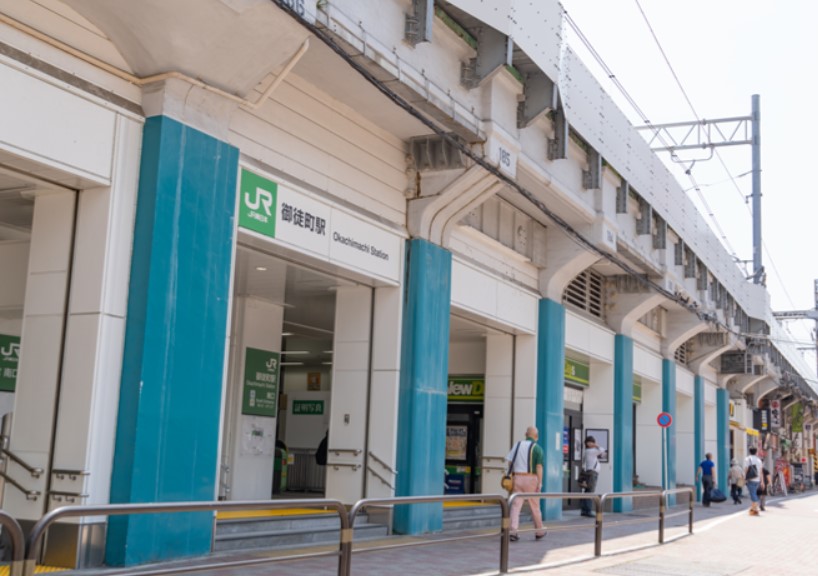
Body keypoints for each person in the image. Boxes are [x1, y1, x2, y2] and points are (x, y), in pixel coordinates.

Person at [505, 426, 546, 541]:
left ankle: (513, 531)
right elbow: (539, 467)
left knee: (516, 505)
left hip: (517, 478)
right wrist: (540, 483)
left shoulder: (517, 445)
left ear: (525, 434)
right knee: (535, 506)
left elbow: (509, 462)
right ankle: (539, 531)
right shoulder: (537, 448)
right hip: (531, 479)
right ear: (536, 436)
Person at [580, 436, 606, 517]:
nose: (593, 444)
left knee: (587, 491)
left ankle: (584, 510)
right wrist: (596, 445)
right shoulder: (590, 451)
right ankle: (588, 510)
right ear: (587, 443)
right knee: (590, 492)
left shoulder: (587, 451)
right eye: (591, 442)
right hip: (592, 473)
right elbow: (602, 450)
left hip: (590, 473)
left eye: (593, 442)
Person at [744, 446, 765, 516]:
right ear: (756, 452)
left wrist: (744, 477)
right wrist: (762, 481)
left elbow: (746, 469)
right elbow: (761, 472)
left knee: (753, 495)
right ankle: (753, 510)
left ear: (749, 451)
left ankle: (755, 508)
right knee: (754, 493)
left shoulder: (748, 459)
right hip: (758, 480)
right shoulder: (759, 460)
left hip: (751, 479)